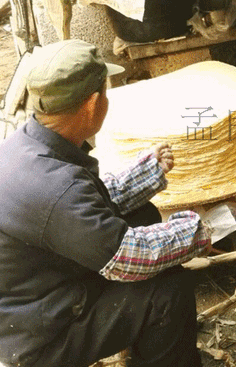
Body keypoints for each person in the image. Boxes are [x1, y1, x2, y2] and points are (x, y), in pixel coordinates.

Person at [0, 39, 212, 367]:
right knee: (168, 291)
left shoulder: (24, 144)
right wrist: (194, 230)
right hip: (40, 340)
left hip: (34, 299)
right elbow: (127, 257)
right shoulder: (56, 187)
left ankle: (155, 345)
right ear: (93, 103)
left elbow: (79, 211)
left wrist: (144, 175)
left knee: (141, 214)